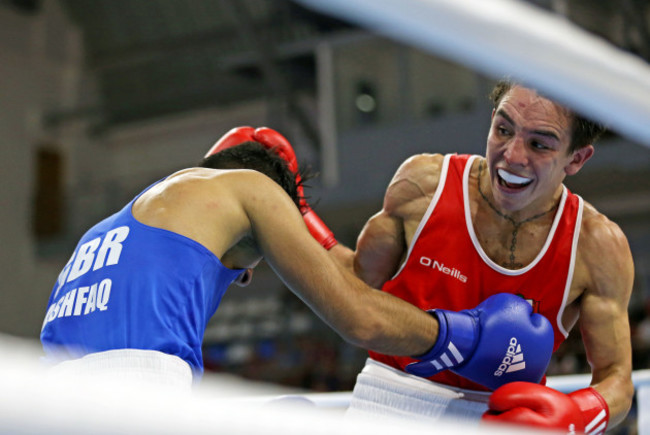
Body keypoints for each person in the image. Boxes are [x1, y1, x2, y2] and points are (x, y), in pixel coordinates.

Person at [39, 126, 552, 393]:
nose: (243, 278)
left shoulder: (110, 231)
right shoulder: (250, 188)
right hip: (138, 399)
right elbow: (360, 314)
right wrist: (466, 337)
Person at [339, 81, 634, 434]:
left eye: (539, 144)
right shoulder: (424, 187)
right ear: (492, 119)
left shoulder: (596, 245)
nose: (512, 155)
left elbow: (617, 379)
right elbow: (353, 291)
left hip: (504, 421)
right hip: (387, 404)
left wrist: (579, 415)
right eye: (503, 130)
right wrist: (298, 213)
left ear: (576, 158)